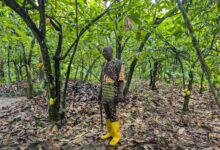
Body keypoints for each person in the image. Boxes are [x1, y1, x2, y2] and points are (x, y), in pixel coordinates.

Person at [99, 46, 125, 146]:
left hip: (113, 93)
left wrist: (121, 93)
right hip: (105, 93)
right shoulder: (104, 64)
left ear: (111, 52)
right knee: (107, 114)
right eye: (103, 51)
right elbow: (102, 81)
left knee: (114, 115)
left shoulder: (118, 63)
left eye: (106, 51)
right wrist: (99, 94)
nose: (104, 53)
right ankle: (110, 132)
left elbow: (121, 79)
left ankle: (116, 136)